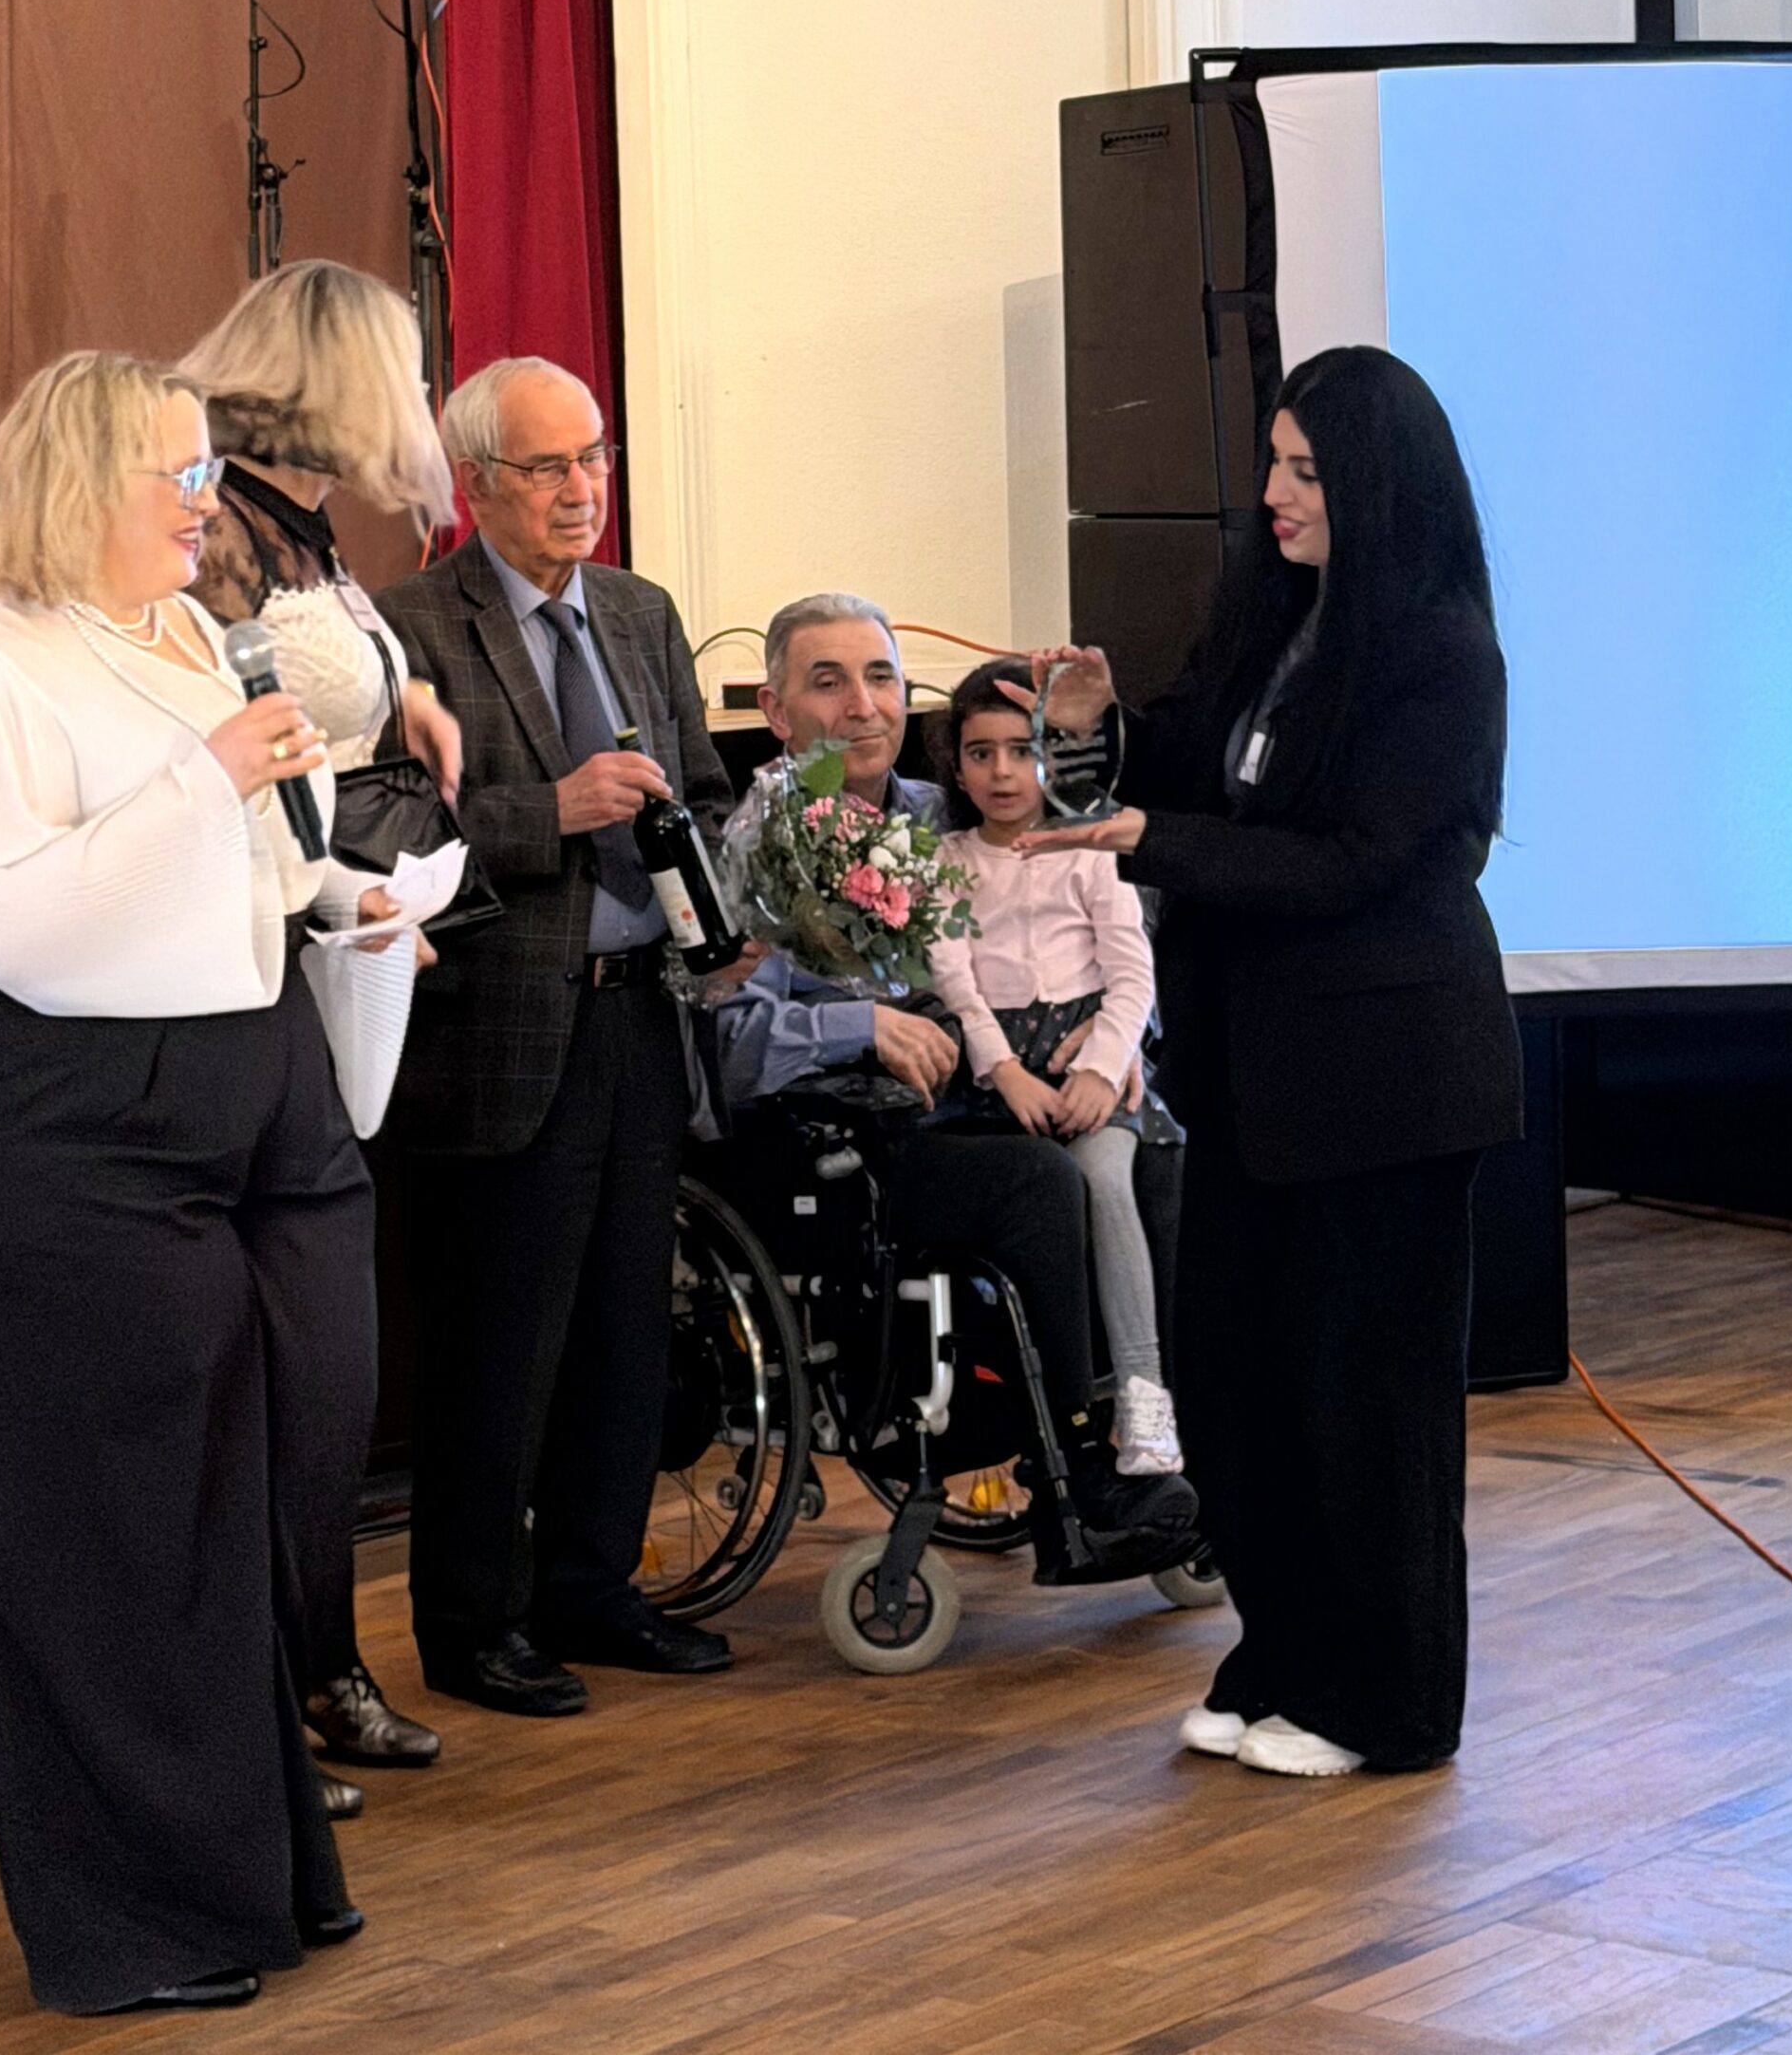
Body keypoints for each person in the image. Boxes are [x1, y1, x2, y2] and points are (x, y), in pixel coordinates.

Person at [0, 353, 409, 2013]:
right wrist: (207, 780)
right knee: (101, 1535)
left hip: (211, 1100)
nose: (202, 502)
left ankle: (244, 1877)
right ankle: (132, 1928)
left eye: (202, 469)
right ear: (78, 482)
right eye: (175, 474)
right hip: (40, 1125)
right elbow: (3, 918)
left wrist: (330, 896)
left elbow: (224, 853)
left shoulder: (176, 631)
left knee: (215, 1509)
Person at [1018, 346, 1521, 1778]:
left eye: (1305, 470)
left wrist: (1155, 843)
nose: (1275, 493)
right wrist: (1100, 730)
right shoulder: (1276, 619)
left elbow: (1352, 862)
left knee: (1368, 1411)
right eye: (1273, 464)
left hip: (1385, 1086)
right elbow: (1188, 757)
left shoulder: (1442, 653)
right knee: (1242, 1390)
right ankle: (1286, 1656)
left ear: (1374, 482)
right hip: (1254, 1082)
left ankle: (1389, 1705)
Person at [378, 356, 736, 1716]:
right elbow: (385, 832)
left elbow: (701, 790)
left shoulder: (639, 612)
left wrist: (730, 907)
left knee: (623, 1331)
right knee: (497, 1347)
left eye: (594, 458)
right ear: (475, 484)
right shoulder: (410, 627)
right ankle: (471, 1624)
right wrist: (552, 810)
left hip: (641, 1016)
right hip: (497, 1033)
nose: (582, 488)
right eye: (547, 466)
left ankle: (595, 1588)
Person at [713, 594, 1199, 1572]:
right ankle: (1072, 1480)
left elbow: (1097, 912)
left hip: (984, 1096)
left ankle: (1159, 1435)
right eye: (828, 682)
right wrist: (860, 1023)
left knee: (1156, 1151)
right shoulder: (758, 844)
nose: (862, 705)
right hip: (845, 1139)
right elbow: (726, 1043)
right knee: (1039, 1181)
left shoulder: (942, 812)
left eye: (881, 678)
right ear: (775, 710)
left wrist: (1110, 1044)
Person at [180, 259, 459, 1785]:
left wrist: (404, 704)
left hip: (328, 933)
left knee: (328, 1362)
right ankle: (267, 1693)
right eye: (398, 375)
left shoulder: (301, 524)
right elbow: (228, 739)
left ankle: (321, 1662)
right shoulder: (217, 524)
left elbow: (315, 704)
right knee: (269, 1367)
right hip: (245, 962)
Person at [925, 659, 1182, 1477]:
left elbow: (1132, 972)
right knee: (1037, 1195)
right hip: (999, 1076)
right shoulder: (944, 860)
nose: (1002, 773)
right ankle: (1049, 1404)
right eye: (980, 753)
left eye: (1022, 750)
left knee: (1105, 1178)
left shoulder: (1090, 848)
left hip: (1088, 1064)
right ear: (955, 764)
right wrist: (1001, 1070)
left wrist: (1103, 1067)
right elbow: (954, 985)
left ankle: (1143, 1394)